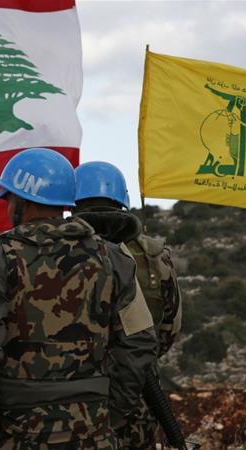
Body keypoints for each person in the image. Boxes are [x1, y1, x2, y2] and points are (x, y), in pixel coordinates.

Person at [0, 148, 158, 449]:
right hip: (94, 428)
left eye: (9, 197)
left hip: (21, 430)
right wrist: (111, 415)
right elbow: (140, 341)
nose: (7, 204)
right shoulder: (113, 258)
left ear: (23, 201)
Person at [73, 161, 184, 450]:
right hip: (140, 393)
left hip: (78, 396)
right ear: (122, 201)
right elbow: (170, 326)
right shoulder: (154, 256)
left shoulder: (59, 251)